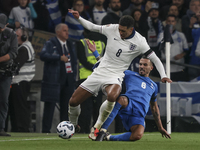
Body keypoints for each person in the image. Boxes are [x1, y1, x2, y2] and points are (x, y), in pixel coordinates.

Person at [67, 9, 172, 139]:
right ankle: (72, 125)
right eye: (120, 29)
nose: (120, 32)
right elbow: (93, 27)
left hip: (115, 75)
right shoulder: (113, 28)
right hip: (99, 72)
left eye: (123, 31)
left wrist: (163, 75)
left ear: (131, 29)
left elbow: (155, 59)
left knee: (112, 95)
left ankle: (97, 127)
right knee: (73, 101)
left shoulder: (140, 41)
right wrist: (79, 18)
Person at [86, 41, 171, 141]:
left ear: (151, 68)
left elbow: (154, 108)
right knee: (122, 99)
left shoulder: (153, 86)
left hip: (138, 115)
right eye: (140, 64)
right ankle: (102, 130)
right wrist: (95, 53)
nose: (141, 66)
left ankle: (108, 137)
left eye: (145, 65)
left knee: (137, 135)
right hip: (128, 105)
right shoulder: (130, 74)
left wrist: (160, 127)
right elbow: (108, 67)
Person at [40, 23, 77, 133]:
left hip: (68, 80)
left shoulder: (70, 44)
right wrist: (59, 57)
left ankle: (65, 131)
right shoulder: (51, 43)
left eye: (67, 30)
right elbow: (43, 55)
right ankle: (46, 130)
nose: (67, 33)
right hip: (54, 80)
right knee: (50, 107)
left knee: (66, 108)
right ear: (58, 32)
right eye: (64, 30)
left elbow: (74, 61)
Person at [76, 32, 106, 133]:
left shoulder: (82, 42)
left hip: (86, 77)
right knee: (96, 107)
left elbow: (82, 60)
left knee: (87, 107)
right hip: (96, 77)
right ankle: (95, 130)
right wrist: (97, 68)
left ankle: (86, 130)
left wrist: (93, 68)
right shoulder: (102, 43)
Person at [8, 27, 35, 132]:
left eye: (17, 36)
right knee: (18, 105)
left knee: (20, 106)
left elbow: (16, 65)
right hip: (22, 81)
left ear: (24, 37)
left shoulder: (24, 48)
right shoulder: (26, 47)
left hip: (21, 81)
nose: (15, 38)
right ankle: (18, 128)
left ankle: (21, 128)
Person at [0, 13, 18, 136]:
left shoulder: (11, 34)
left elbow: (13, 52)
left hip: (5, 72)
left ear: (6, 24)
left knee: (3, 100)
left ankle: (1, 128)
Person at [161, 14, 189, 82]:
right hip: (166, 68)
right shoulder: (161, 34)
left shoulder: (181, 35)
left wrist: (181, 55)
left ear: (175, 22)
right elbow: (159, 48)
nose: (171, 23)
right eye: (169, 21)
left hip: (179, 68)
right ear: (166, 22)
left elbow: (186, 50)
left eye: (172, 21)